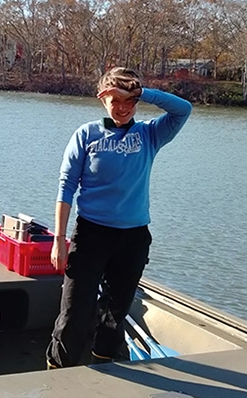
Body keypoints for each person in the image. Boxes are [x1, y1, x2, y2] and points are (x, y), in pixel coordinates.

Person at [46, 67, 192, 368]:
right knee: (75, 311)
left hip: (134, 237)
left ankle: (104, 369)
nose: (123, 108)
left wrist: (141, 92)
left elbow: (183, 109)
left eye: (130, 102)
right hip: (91, 235)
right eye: (116, 101)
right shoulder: (86, 135)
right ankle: (57, 373)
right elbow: (66, 187)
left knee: (116, 312)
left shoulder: (150, 134)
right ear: (103, 100)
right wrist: (59, 240)